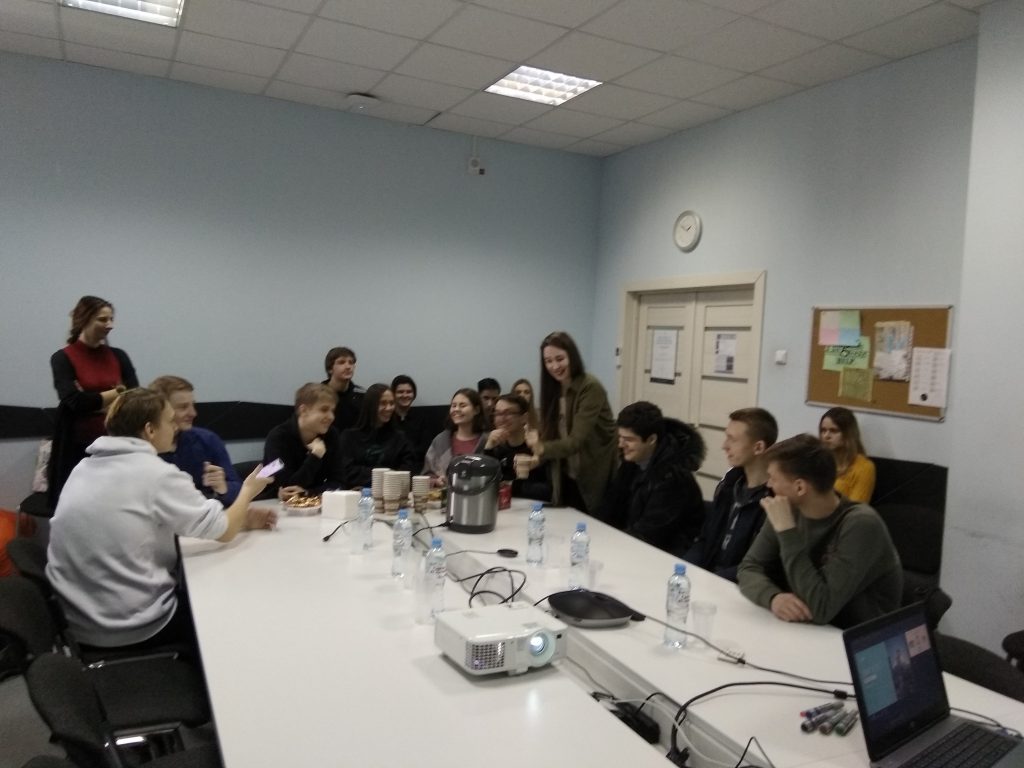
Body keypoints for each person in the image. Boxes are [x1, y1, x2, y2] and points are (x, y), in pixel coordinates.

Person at [45, 388, 276, 653]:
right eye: (169, 420)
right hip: (128, 626)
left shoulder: (83, 468)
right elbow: (223, 532)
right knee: (229, 606)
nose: (176, 427)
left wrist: (241, 520)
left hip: (77, 621)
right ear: (150, 430)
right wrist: (248, 491)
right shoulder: (156, 474)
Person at [737, 434, 902, 629]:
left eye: (773, 478)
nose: (768, 485)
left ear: (800, 487)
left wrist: (787, 532)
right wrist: (773, 598)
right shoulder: (787, 509)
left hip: (852, 637)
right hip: (805, 630)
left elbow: (821, 608)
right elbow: (748, 567)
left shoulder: (861, 524)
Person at [48, 295, 138, 506]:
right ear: (84, 320)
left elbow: (134, 397)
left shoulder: (119, 356)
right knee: (79, 505)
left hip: (117, 446)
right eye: (103, 319)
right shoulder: (62, 358)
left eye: (111, 319)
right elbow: (75, 402)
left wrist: (94, 400)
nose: (110, 325)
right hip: (77, 448)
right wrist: (118, 391)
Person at [526, 331, 616, 513]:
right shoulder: (553, 388)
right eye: (548, 361)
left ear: (572, 357)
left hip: (593, 474)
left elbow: (575, 441)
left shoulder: (590, 387)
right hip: (565, 473)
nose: (554, 366)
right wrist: (537, 458)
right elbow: (554, 436)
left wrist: (541, 448)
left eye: (560, 359)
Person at [598, 401, 705, 555]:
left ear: (651, 440)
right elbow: (610, 507)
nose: (620, 444)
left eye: (629, 439)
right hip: (636, 545)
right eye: (620, 437)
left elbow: (649, 535)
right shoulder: (633, 460)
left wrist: (609, 544)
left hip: (667, 555)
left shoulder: (673, 478)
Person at [685, 407, 777, 582]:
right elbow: (705, 540)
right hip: (709, 578)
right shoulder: (729, 485)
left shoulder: (774, 499)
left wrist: (710, 581)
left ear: (758, 447)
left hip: (738, 586)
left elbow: (759, 565)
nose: (724, 446)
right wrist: (685, 569)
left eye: (732, 439)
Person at [149, 375, 242, 504]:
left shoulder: (207, 440)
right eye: (183, 407)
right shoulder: (145, 447)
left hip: (206, 512)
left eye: (193, 405)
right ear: (162, 411)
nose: (193, 413)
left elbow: (238, 488)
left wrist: (223, 487)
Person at [263, 383, 344, 500]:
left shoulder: (332, 435)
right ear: (304, 410)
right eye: (324, 410)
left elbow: (339, 482)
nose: (331, 416)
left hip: (313, 503)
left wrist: (308, 493)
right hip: (271, 502)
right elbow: (289, 488)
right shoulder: (277, 438)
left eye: (332, 411)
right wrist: (315, 456)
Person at [338, 383, 418, 488]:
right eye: (383, 403)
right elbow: (346, 471)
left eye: (391, 403)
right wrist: (385, 474)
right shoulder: (349, 437)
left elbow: (409, 469)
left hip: (392, 492)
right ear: (371, 406)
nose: (388, 408)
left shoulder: (400, 438)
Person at [483, 394, 550, 501]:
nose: (502, 418)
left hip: (538, 507)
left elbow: (551, 491)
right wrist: (488, 448)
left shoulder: (538, 446)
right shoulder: (497, 449)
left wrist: (511, 486)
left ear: (524, 418)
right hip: (506, 508)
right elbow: (485, 485)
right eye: (498, 413)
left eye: (508, 413)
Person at [423, 388, 487, 485]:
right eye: (454, 406)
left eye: (463, 405)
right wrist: (436, 481)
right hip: (445, 493)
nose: (456, 409)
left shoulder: (487, 440)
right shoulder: (441, 440)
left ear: (476, 410)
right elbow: (426, 475)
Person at [819, 407, 876, 503]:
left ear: (848, 434)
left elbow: (856, 508)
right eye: (823, 430)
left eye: (833, 431)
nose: (826, 436)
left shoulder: (864, 468)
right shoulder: (818, 461)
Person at [391, 374, 431, 466]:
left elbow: (425, 448)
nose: (405, 395)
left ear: (414, 394)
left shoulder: (421, 419)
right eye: (400, 392)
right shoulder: (387, 419)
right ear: (393, 394)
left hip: (416, 467)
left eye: (409, 392)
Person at [323, 346, 364, 431]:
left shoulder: (362, 395)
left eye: (351, 363)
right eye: (341, 362)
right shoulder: (317, 395)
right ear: (330, 369)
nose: (348, 367)